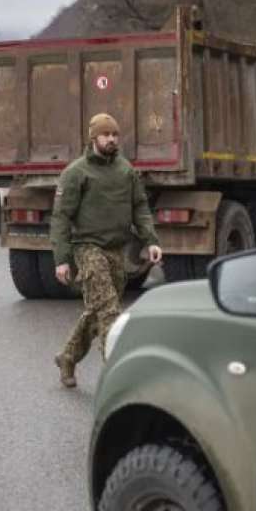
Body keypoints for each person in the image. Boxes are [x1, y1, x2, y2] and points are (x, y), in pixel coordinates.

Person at [51, 113, 162, 388]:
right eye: (106, 135)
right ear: (93, 138)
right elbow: (61, 218)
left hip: (116, 250)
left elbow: (140, 208)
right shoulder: (76, 173)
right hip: (87, 248)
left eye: (115, 134)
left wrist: (151, 240)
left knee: (96, 310)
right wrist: (62, 260)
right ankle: (118, 375)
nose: (112, 139)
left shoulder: (126, 171)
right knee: (110, 310)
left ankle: (67, 357)